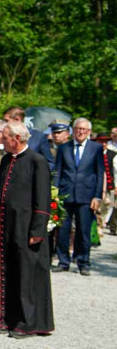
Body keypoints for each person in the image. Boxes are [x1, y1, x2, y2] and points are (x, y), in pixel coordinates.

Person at [0, 121, 54, 337]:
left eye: (4, 137)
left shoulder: (37, 161)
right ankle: (1, 318)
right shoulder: (6, 161)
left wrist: (38, 231)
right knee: (3, 271)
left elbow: (43, 199)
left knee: (24, 276)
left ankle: (25, 322)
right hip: (5, 227)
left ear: (16, 139)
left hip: (26, 228)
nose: (1, 141)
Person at [53, 117, 105, 275]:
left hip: (86, 195)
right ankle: (63, 261)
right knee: (63, 230)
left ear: (88, 132)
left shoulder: (95, 148)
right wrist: (55, 193)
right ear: (73, 131)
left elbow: (99, 173)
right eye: (78, 129)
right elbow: (58, 171)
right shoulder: (64, 148)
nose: (81, 132)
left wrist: (97, 196)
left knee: (83, 231)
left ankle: (83, 262)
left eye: (84, 129)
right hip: (65, 194)